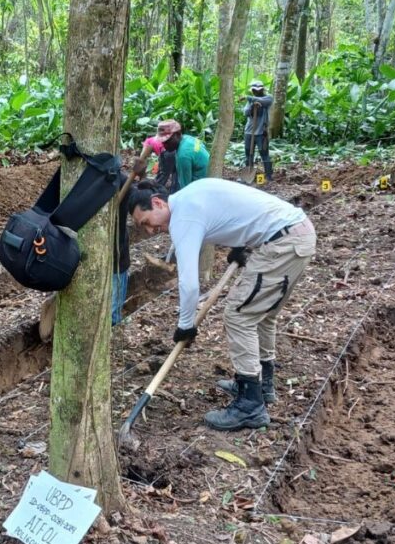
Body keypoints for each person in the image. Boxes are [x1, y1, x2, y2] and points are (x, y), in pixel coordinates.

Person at [128, 178, 317, 431]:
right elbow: (235, 207)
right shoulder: (191, 194)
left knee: (239, 315)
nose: (150, 230)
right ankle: (262, 385)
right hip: (295, 234)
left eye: (146, 222)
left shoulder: (183, 217)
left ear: (157, 202)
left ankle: (250, 405)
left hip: (282, 243)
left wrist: (185, 325)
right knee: (261, 314)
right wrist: (241, 244)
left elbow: (189, 284)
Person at [130, 119, 209, 194]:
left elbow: (185, 188)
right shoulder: (187, 138)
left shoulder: (183, 156)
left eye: (167, 141)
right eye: (163, 142)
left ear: (177, 134)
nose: (164, 145)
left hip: (200, 185)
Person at [241, 80, 274, 179]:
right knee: (248, 153)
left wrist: (251, 99)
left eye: (258, 90)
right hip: (249, 132)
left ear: (262, 90)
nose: (256, 92)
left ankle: (268, 175)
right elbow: (246, 113)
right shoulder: (250, 101)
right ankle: (249, 172)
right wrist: (253, 106)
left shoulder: (268, 98)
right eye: (254, 90)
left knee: (264, 153)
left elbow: (266, 102)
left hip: (261, 133)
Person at [112, 172, 131, 325]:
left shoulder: (123, 181)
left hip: (117, 253)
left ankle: (114, 325)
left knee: (113, 310)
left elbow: (139, 201)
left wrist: (139, 179)